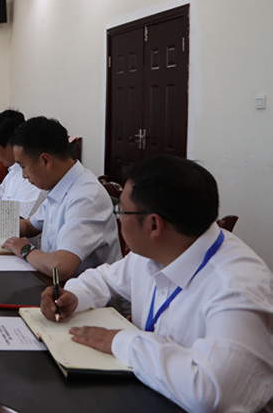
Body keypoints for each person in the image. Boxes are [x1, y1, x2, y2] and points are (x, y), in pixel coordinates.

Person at [43, 156, 273, 412]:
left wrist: (123, 342)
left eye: (121, 211)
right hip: (149, 394)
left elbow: (210, 392)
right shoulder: (159, 250)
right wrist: (74, 295)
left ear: (154, 224)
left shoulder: (237, 286)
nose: (118, 219)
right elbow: (105, 279)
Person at [1, 116, 121, 281]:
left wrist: (25, 250)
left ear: (45, 160)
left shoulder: (85, 196)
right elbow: (29, 226)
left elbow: (61, 267)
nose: (24, 175)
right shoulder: (59, 184)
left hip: (84, 293)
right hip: (56, 284)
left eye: (23, 167)